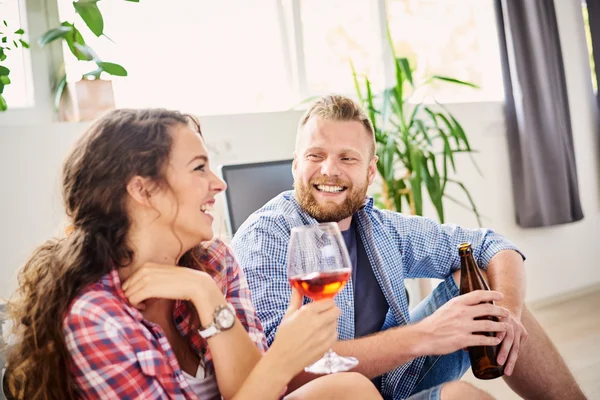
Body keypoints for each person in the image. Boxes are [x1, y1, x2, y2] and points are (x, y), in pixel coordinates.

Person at [4, 109, 383, 400]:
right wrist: (284, 357)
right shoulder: (97, 317)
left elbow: (250, 391)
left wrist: (206, 293)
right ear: (144, 190)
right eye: (199, 168)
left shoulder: (214, 263)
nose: (218, 184)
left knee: (350, 387)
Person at [230, 95, 586, 400]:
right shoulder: (269, 237)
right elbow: (282, 372)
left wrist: (506, 313)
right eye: (315, 155)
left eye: (347, 158)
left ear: (370, 173)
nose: (329, 170)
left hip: (394, 383)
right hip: (332, 395)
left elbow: (491, 244)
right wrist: (424, 336)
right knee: (461, 396)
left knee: (484, 286)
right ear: (296, 165)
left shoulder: (378, 225)